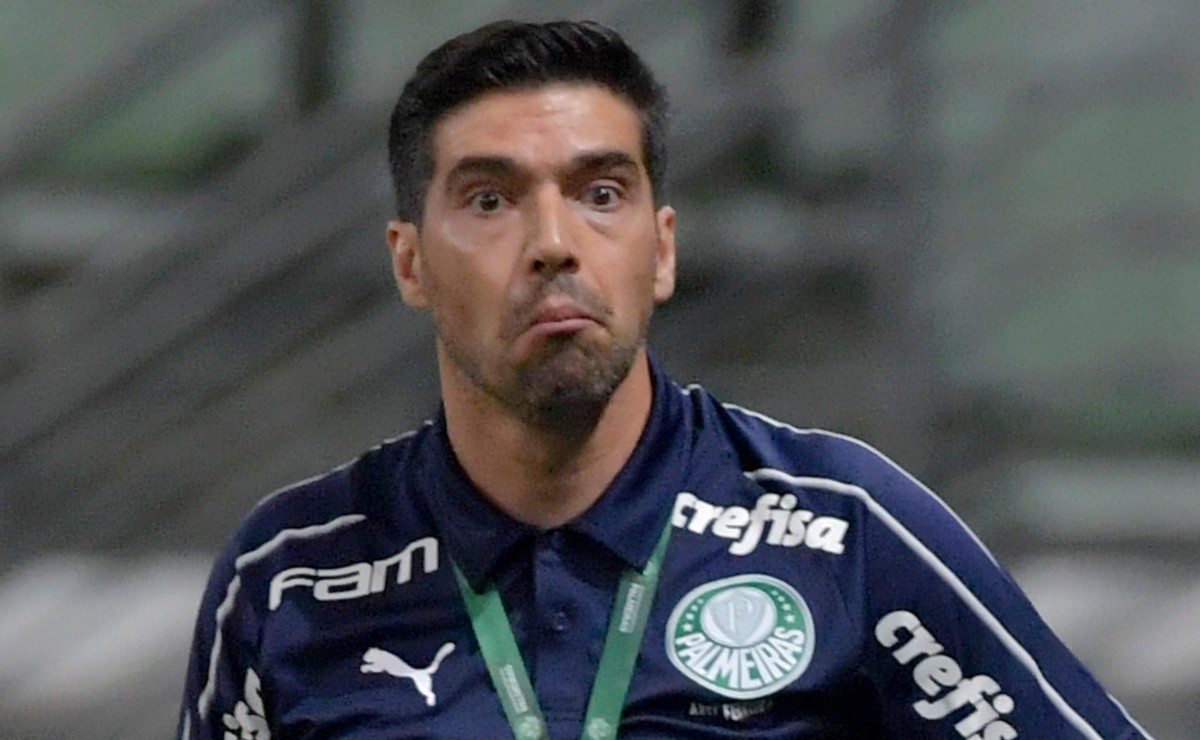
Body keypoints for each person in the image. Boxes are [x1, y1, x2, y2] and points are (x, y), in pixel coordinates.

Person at [178, 19, 1150, 740]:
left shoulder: (844, 530)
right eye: (490, 199)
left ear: (663, 249)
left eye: (601, 193)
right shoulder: (287, 578)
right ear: (410, 262)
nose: (554, 243)